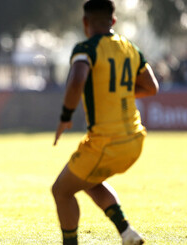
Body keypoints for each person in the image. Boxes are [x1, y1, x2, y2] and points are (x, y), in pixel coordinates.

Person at [52, 0, 159, 245]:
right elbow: (151, 87)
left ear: (85, 22)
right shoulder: (130, 48)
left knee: (61, 190)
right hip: (135, 139)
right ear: (113, 21)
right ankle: (126, 232)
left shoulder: (86, 48)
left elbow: (77, 79)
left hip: (107, 143)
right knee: (87, 179)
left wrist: (65, 118)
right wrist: (119, 93)